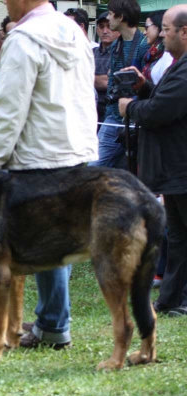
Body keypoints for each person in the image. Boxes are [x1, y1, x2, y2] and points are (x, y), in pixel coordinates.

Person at [0, 0, 98, 349]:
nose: (3, 2)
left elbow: (10, 108)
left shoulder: (23, 38)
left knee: (46, 242)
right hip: (76, 150)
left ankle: (55, 326)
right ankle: (51, 318)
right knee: (60, 240)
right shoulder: (74, 31)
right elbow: (85, 95)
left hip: (38, 157)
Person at [119, 5, 187, 317]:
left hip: (181, 167)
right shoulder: (178, 65)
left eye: (168, 30)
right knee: (177, 237)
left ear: (184, 32)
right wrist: (143, 88)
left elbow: (161, 111)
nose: (162, 35)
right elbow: (163, 100)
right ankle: (172, 299)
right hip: (174, 169)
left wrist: (130, 108)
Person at [89, 0, 149, 169]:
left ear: (120, 17)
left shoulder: (144, 45)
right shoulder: (117, 44)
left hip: (135, 119)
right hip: (113, 118)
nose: (108, 18)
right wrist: (110, 112)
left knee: (123, 171)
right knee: (96, 166)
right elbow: (112, 84)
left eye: (110, 14)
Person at [93, 12, 121, 123]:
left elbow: (108, 82)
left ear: (118, 30)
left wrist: (84, 77)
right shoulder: (90, 52)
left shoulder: (122, 53)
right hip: (90, 109)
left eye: (109, 26)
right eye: (101, 27)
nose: (105, 31)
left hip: (111, 110)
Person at [142, 10, 174, 85]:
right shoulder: (153, 53)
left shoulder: (169, 52)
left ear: (159, 25)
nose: (144, 32)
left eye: (147, 27)